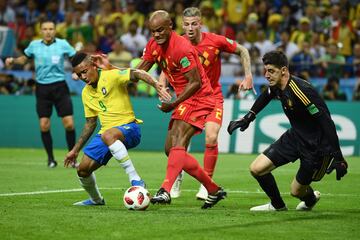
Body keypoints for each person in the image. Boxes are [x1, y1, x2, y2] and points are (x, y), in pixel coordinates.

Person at [228, 50, 348, 211]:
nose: (266, 75)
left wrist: (338, 157)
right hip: (295, 137)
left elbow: (327, 123)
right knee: (256, 169)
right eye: (265, 70)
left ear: (284, 70)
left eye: (271, 71)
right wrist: (248, 117)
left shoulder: (302, 91)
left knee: (296, 191)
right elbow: (266, 95)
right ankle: (277, 206)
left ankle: (310, 198)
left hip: (316, 147)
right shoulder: (277, 86)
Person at [137, 10, 226, 209]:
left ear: (170, 27)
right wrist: (108, 69)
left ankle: (166, 190)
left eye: (160, 30)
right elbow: (138, 71)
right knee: (171, 149)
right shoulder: (154, 45)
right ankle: (213, 190)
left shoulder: (182, 48)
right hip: (185, 98)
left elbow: (195, 83)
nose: (157, 35)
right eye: (153, 32)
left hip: (200, 96)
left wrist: (174, 103)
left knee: (178, 138)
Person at [168, 7, 254, 200]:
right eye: (187, 24)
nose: (190, 28)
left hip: (212, 96)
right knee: (180, 141)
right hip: (188, 97)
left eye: (194, 24)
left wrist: (248, 75)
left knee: (211, 138)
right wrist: (162, 84)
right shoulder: (178, 43)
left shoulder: (215, 40)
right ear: (182, 25)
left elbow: (243, 50)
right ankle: (177, 178)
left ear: (201, 23)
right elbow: (168, 65)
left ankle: (206, 184)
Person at [64, 52, 171, 206]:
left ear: (94, 65)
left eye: (85, 71)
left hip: (129, 128)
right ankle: (96, 200)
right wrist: (75, 150)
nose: (83, 77)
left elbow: (136, 73)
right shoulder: (86, 93)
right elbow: (90, 123)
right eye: (79, 74)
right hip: (106, 135)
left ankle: (136, 180)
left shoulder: (111, 76)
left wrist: (155, 84)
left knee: (107, 135)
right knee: (83, 170)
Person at [5, 20, 76, 168]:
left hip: (60, 86)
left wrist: (77, 72)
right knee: (44, 125)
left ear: (55, 30)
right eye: (45, 29)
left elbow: (75, 58)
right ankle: (51, 159)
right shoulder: (34, 45)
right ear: (41, 31)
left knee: (69, 124)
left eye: (51, 29)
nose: (48, 31)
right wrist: (13, 60)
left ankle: (72, 157)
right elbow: (24, 59)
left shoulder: (63, 44)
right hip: (42, 88)